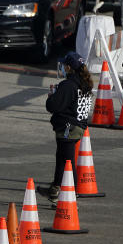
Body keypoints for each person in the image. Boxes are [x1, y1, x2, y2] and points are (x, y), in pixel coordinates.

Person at [37, 51, 94, 201]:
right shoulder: (84, 83)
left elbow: (53, 106)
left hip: (69, 127)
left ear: (69, 68)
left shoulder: (68, 85)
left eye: (64, 65)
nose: (62, 67)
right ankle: (55, 189)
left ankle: (70, 197)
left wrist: (52, 97)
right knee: (61, 157)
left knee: (68, 162)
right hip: (78, 126)